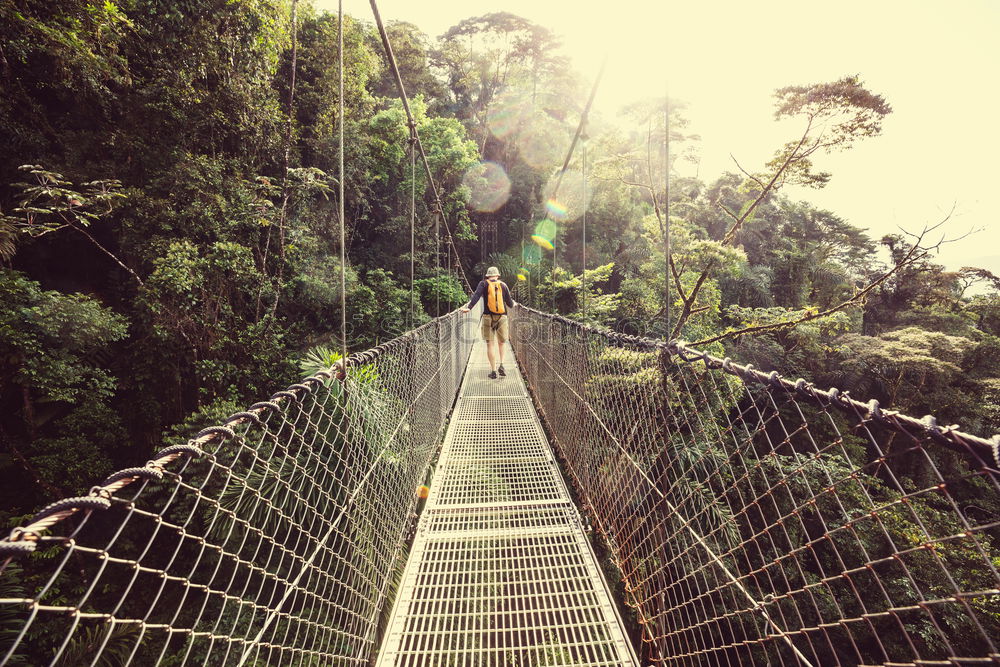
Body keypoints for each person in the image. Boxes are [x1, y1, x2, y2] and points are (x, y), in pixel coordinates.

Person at [461, 266, 514, 379]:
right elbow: (509, 303)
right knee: (502, 343)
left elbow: (476, 296)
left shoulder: (483, 284)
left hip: (487, 317)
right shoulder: (503, 285)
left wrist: (469, 308)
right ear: (497, 275)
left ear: (487, 275)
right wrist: (515, 304)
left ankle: (493, 371)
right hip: (502, 316)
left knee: (490, 344)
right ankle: (502, 365)